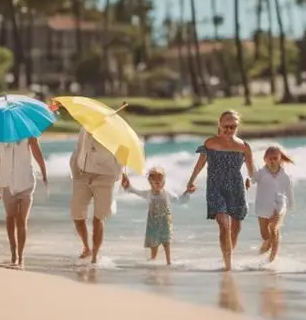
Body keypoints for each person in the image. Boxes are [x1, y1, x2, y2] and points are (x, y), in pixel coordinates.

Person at [186, 109, 255, 271]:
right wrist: (191, 181)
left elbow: (252, 171)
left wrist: (250, 179)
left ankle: (228, 255)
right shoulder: (210, 143)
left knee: (236, 226)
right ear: (219, 124)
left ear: (237, 127)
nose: (229, 130)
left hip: (236, 188)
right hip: (215, 187)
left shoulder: (244, 147)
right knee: (224, 225)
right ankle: (228, 266)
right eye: (226, 126)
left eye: (233, 127)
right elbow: (200, 164)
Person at [0, 136, 48, 268]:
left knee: (22, 220)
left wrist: (44, 174)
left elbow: (38, 156)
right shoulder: (0, 138)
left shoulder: (29, 135)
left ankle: (21, 256)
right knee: (10, 218)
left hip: (26, 183)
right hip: (6, 184)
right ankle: (13, 253)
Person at [68, 124, 122, 264]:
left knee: (99, 217)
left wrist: (119, 175)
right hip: (82, 175)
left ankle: (94, 256)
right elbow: (78, 148)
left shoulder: (114, 130)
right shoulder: (85, 127)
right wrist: (75, 171)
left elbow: (121, 153)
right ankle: (87, 247)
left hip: (105, 176)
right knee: (77, 214)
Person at [120, 167, 193, 265]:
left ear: (164, 182)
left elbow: (180, 200)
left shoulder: (167, 193)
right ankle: (152, 261)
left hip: (165, 222)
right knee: (154, 245)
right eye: (155, 181)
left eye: (160, 180)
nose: (158, 183)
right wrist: (128, 186)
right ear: (150, 182)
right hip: (153, 224)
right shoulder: (148, 194)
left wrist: (188, 192)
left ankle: (169, 262)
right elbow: (135, 191)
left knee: (166, 242)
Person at [253, 145, 295, 263]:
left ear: (280, 159)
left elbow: (289, 190)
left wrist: (291, 204)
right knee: (265, 236)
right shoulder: (261, 173)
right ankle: (262, 253)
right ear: (265, 159)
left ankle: (272, 259)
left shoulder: (285, 175)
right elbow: (252, 180)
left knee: (273, 228)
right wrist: (247, 182)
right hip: (263, 207)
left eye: (275, 158)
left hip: (279, 206)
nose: (272, 161)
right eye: (270, 158)